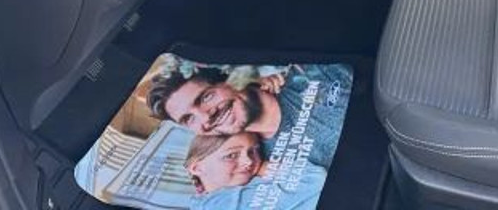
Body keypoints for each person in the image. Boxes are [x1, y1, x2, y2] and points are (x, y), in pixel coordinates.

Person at [146, 64, 351, 169]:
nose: (205, 117)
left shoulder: (307, 74)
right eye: (189, 118)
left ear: (232, 79)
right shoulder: (257, 164)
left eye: (205, 97)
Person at [184, 132, 326, 210]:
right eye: (231, 156)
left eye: (253, 151)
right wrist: (266, 168)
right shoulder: (216, 205)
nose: (248, 161)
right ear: (197, 168)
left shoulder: (250, 184)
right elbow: (316, 181)